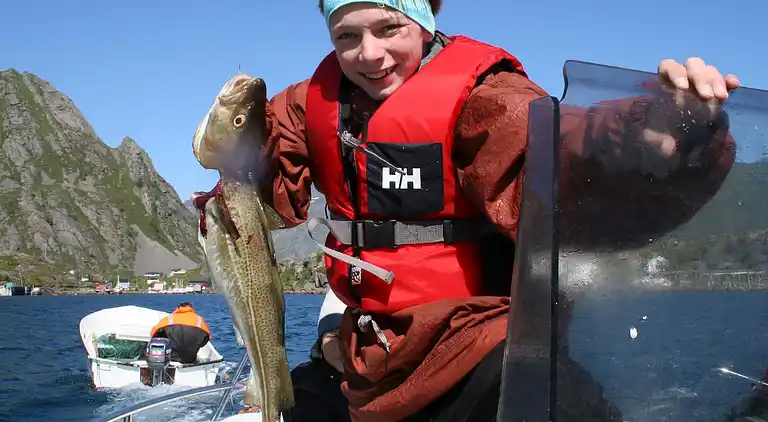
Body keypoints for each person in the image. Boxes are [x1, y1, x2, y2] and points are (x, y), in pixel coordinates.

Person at [191, 1, 741, 420]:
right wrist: (230, 146)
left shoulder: (484, 96)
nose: (369, 54)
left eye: (389, 29)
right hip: (365, 355)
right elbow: (260, 170)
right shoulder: (313, 101)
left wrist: (651, 131)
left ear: (425, 18)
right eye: (346, 36)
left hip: (473, 346)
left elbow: (564, 147)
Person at [283, 289, 351, 422]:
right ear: (320, 342)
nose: (341, 346)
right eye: (333, 336)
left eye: (349, 336)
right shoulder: (301, 384)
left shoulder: (378, 380)